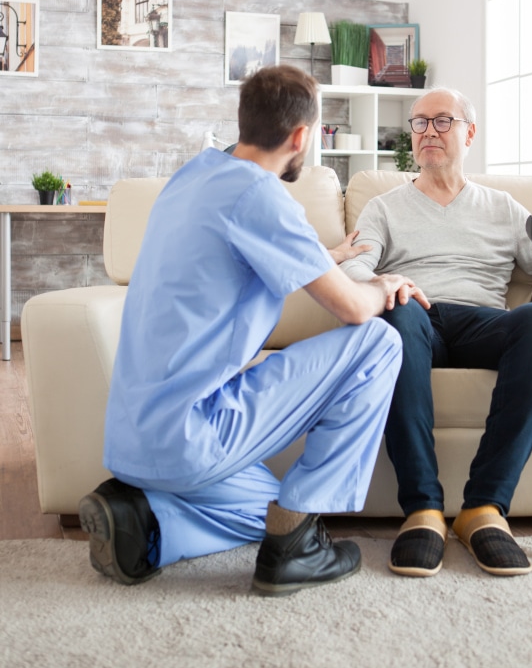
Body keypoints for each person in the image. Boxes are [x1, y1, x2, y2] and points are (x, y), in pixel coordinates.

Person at [79, 65, 430, 596]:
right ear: (302, 136)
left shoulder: (192, 176)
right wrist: (386, 286)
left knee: (266, 507)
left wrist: (323, 257)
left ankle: (147, 519)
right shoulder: (262, 198)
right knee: (380, 342)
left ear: (244, 122)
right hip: (190, 435)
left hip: (132, 437)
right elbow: (356, 310)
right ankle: (294, 555)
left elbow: (238, 259)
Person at [340, 86, 532, 578]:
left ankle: (483, 508)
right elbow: (354, 269)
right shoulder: (383, 207)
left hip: (484, 322)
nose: (428, 132)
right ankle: (422, 509)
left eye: (442, 121)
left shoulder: (502, 208)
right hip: (417, 315)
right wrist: (382, 281)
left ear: (469, 132)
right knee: (397, 314)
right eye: (419, 123)